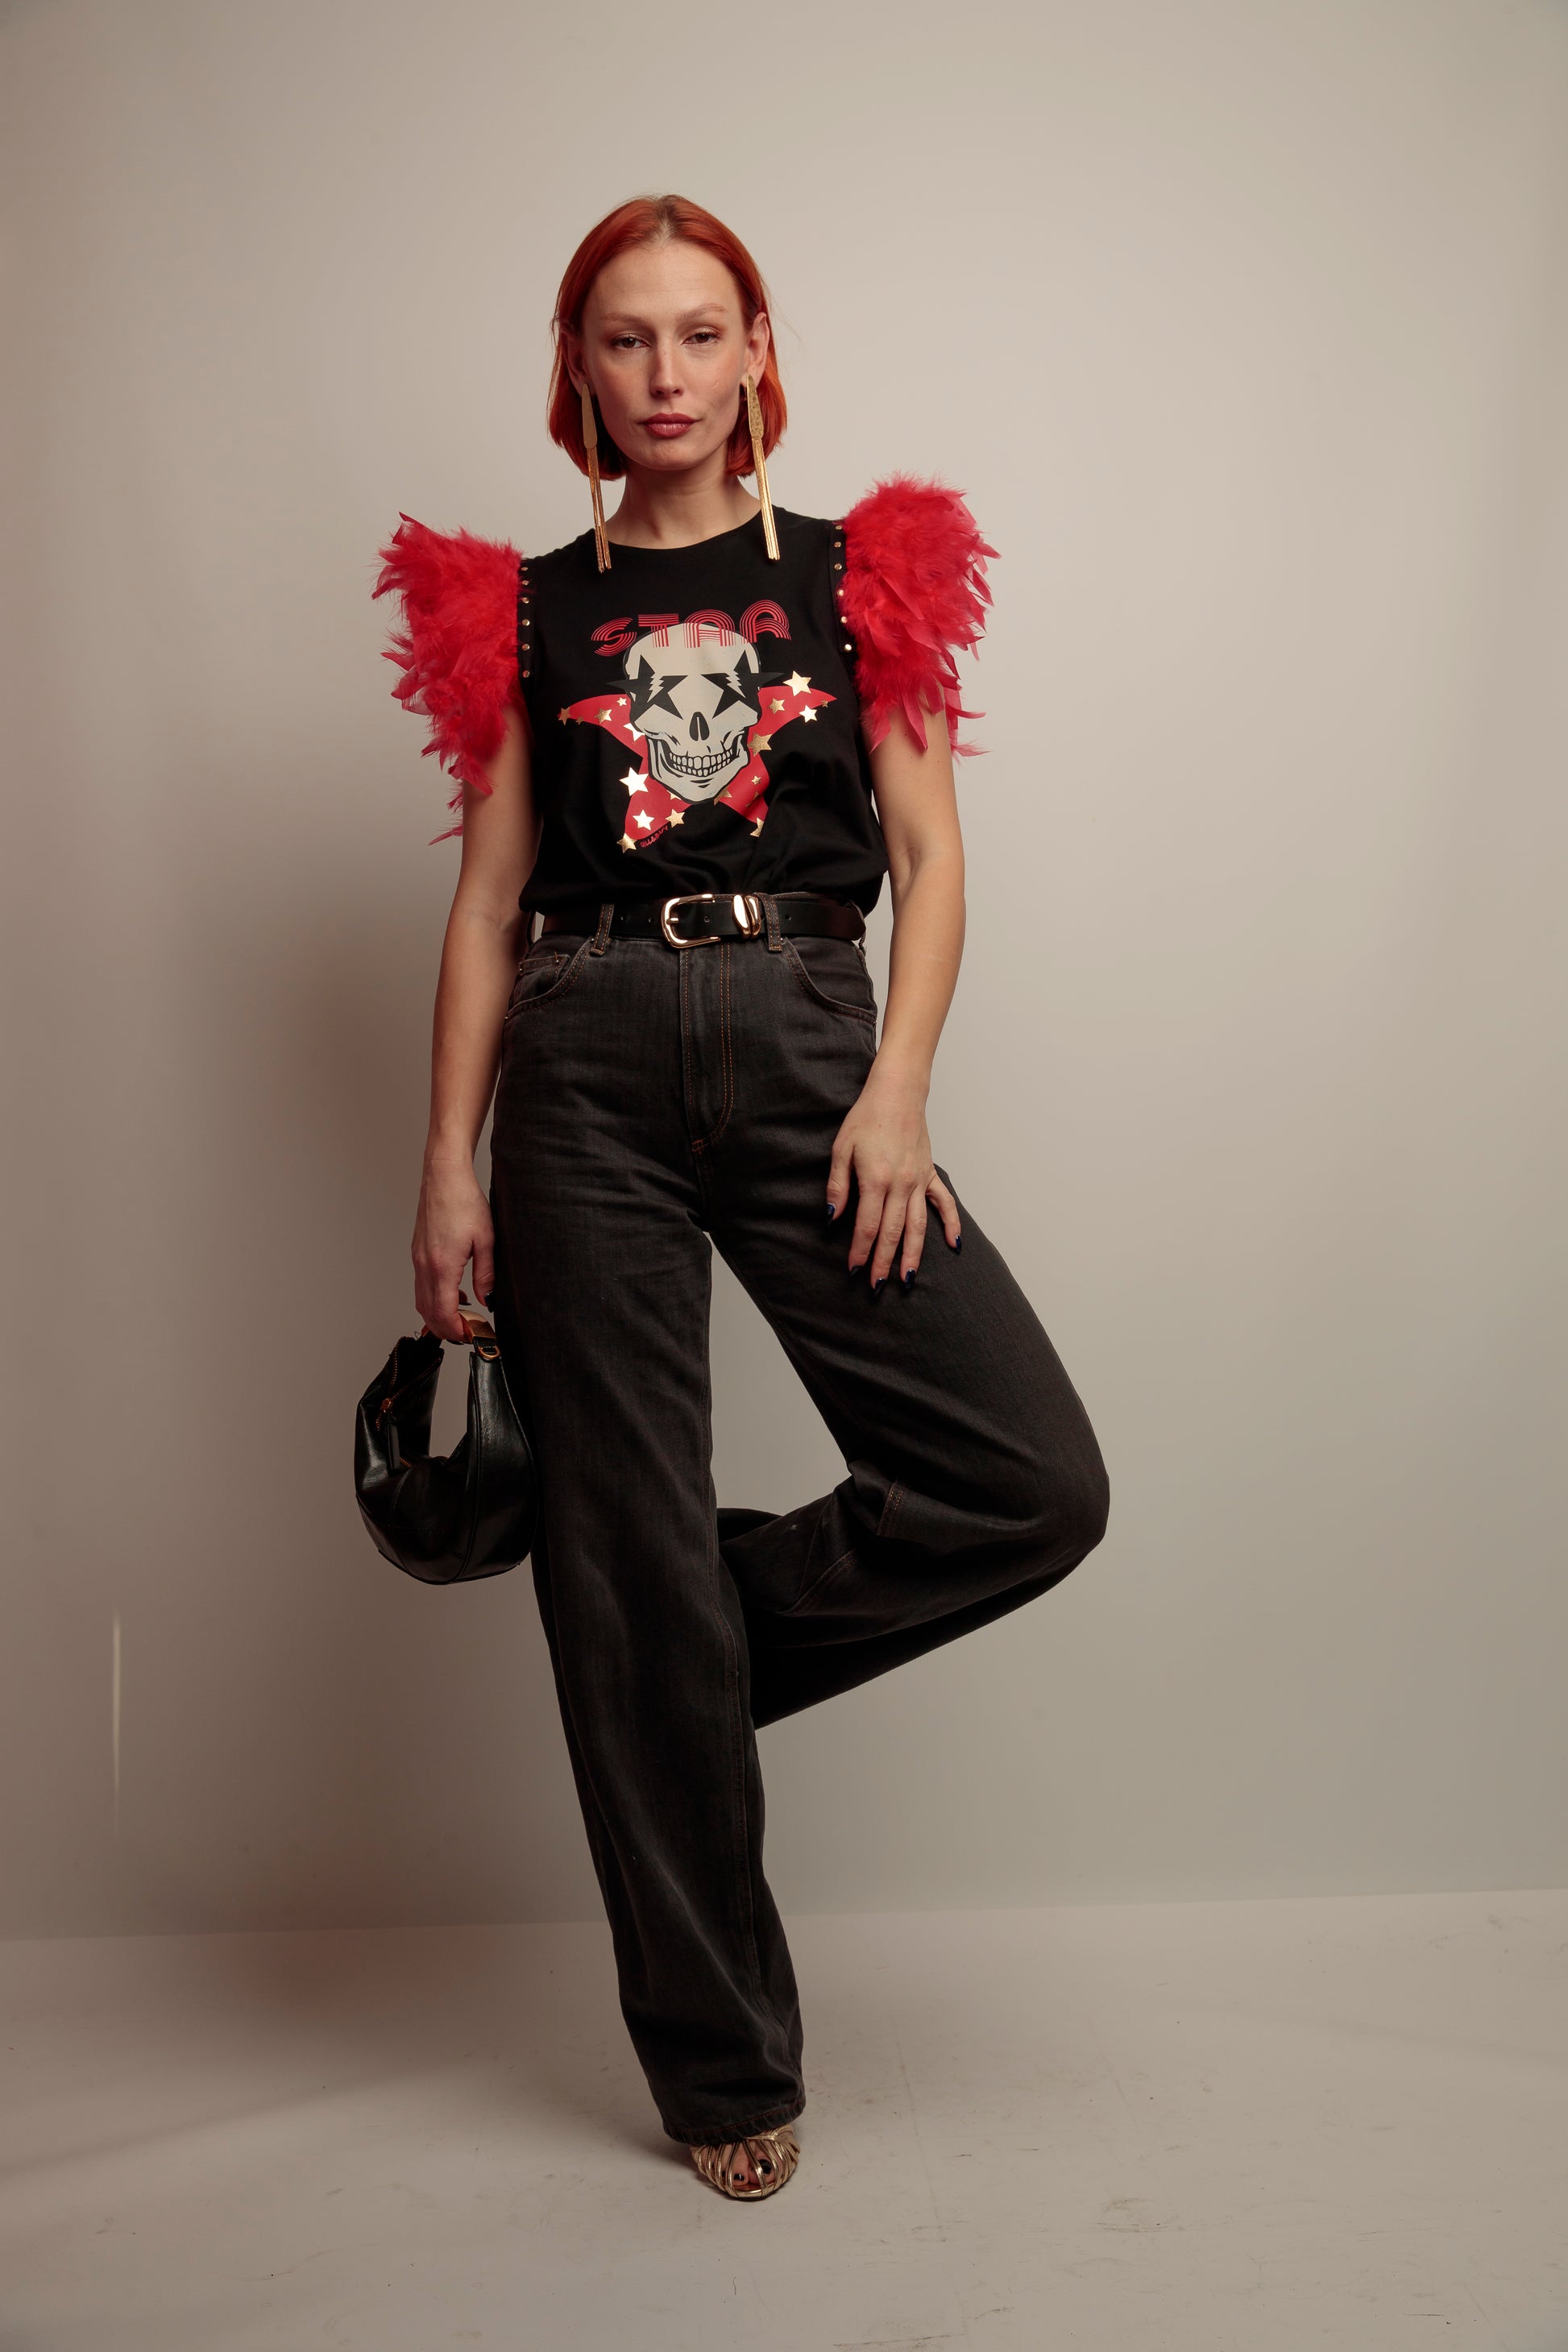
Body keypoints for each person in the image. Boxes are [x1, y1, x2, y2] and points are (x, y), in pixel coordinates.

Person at [372, 193, 1110, 2202]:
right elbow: (486, 902)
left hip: (804, 1037)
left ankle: (670, 1649)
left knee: (1026, 1477)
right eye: (627, 338)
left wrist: (898, 1088)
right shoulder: (525, 607)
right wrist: (444, 1159)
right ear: (577, 367)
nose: (668, 373)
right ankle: (720, 2072)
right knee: (617, 1533)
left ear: (757, 348)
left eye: (703, 333)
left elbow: (932, 861)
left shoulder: (862, 571)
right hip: (584, 1064)